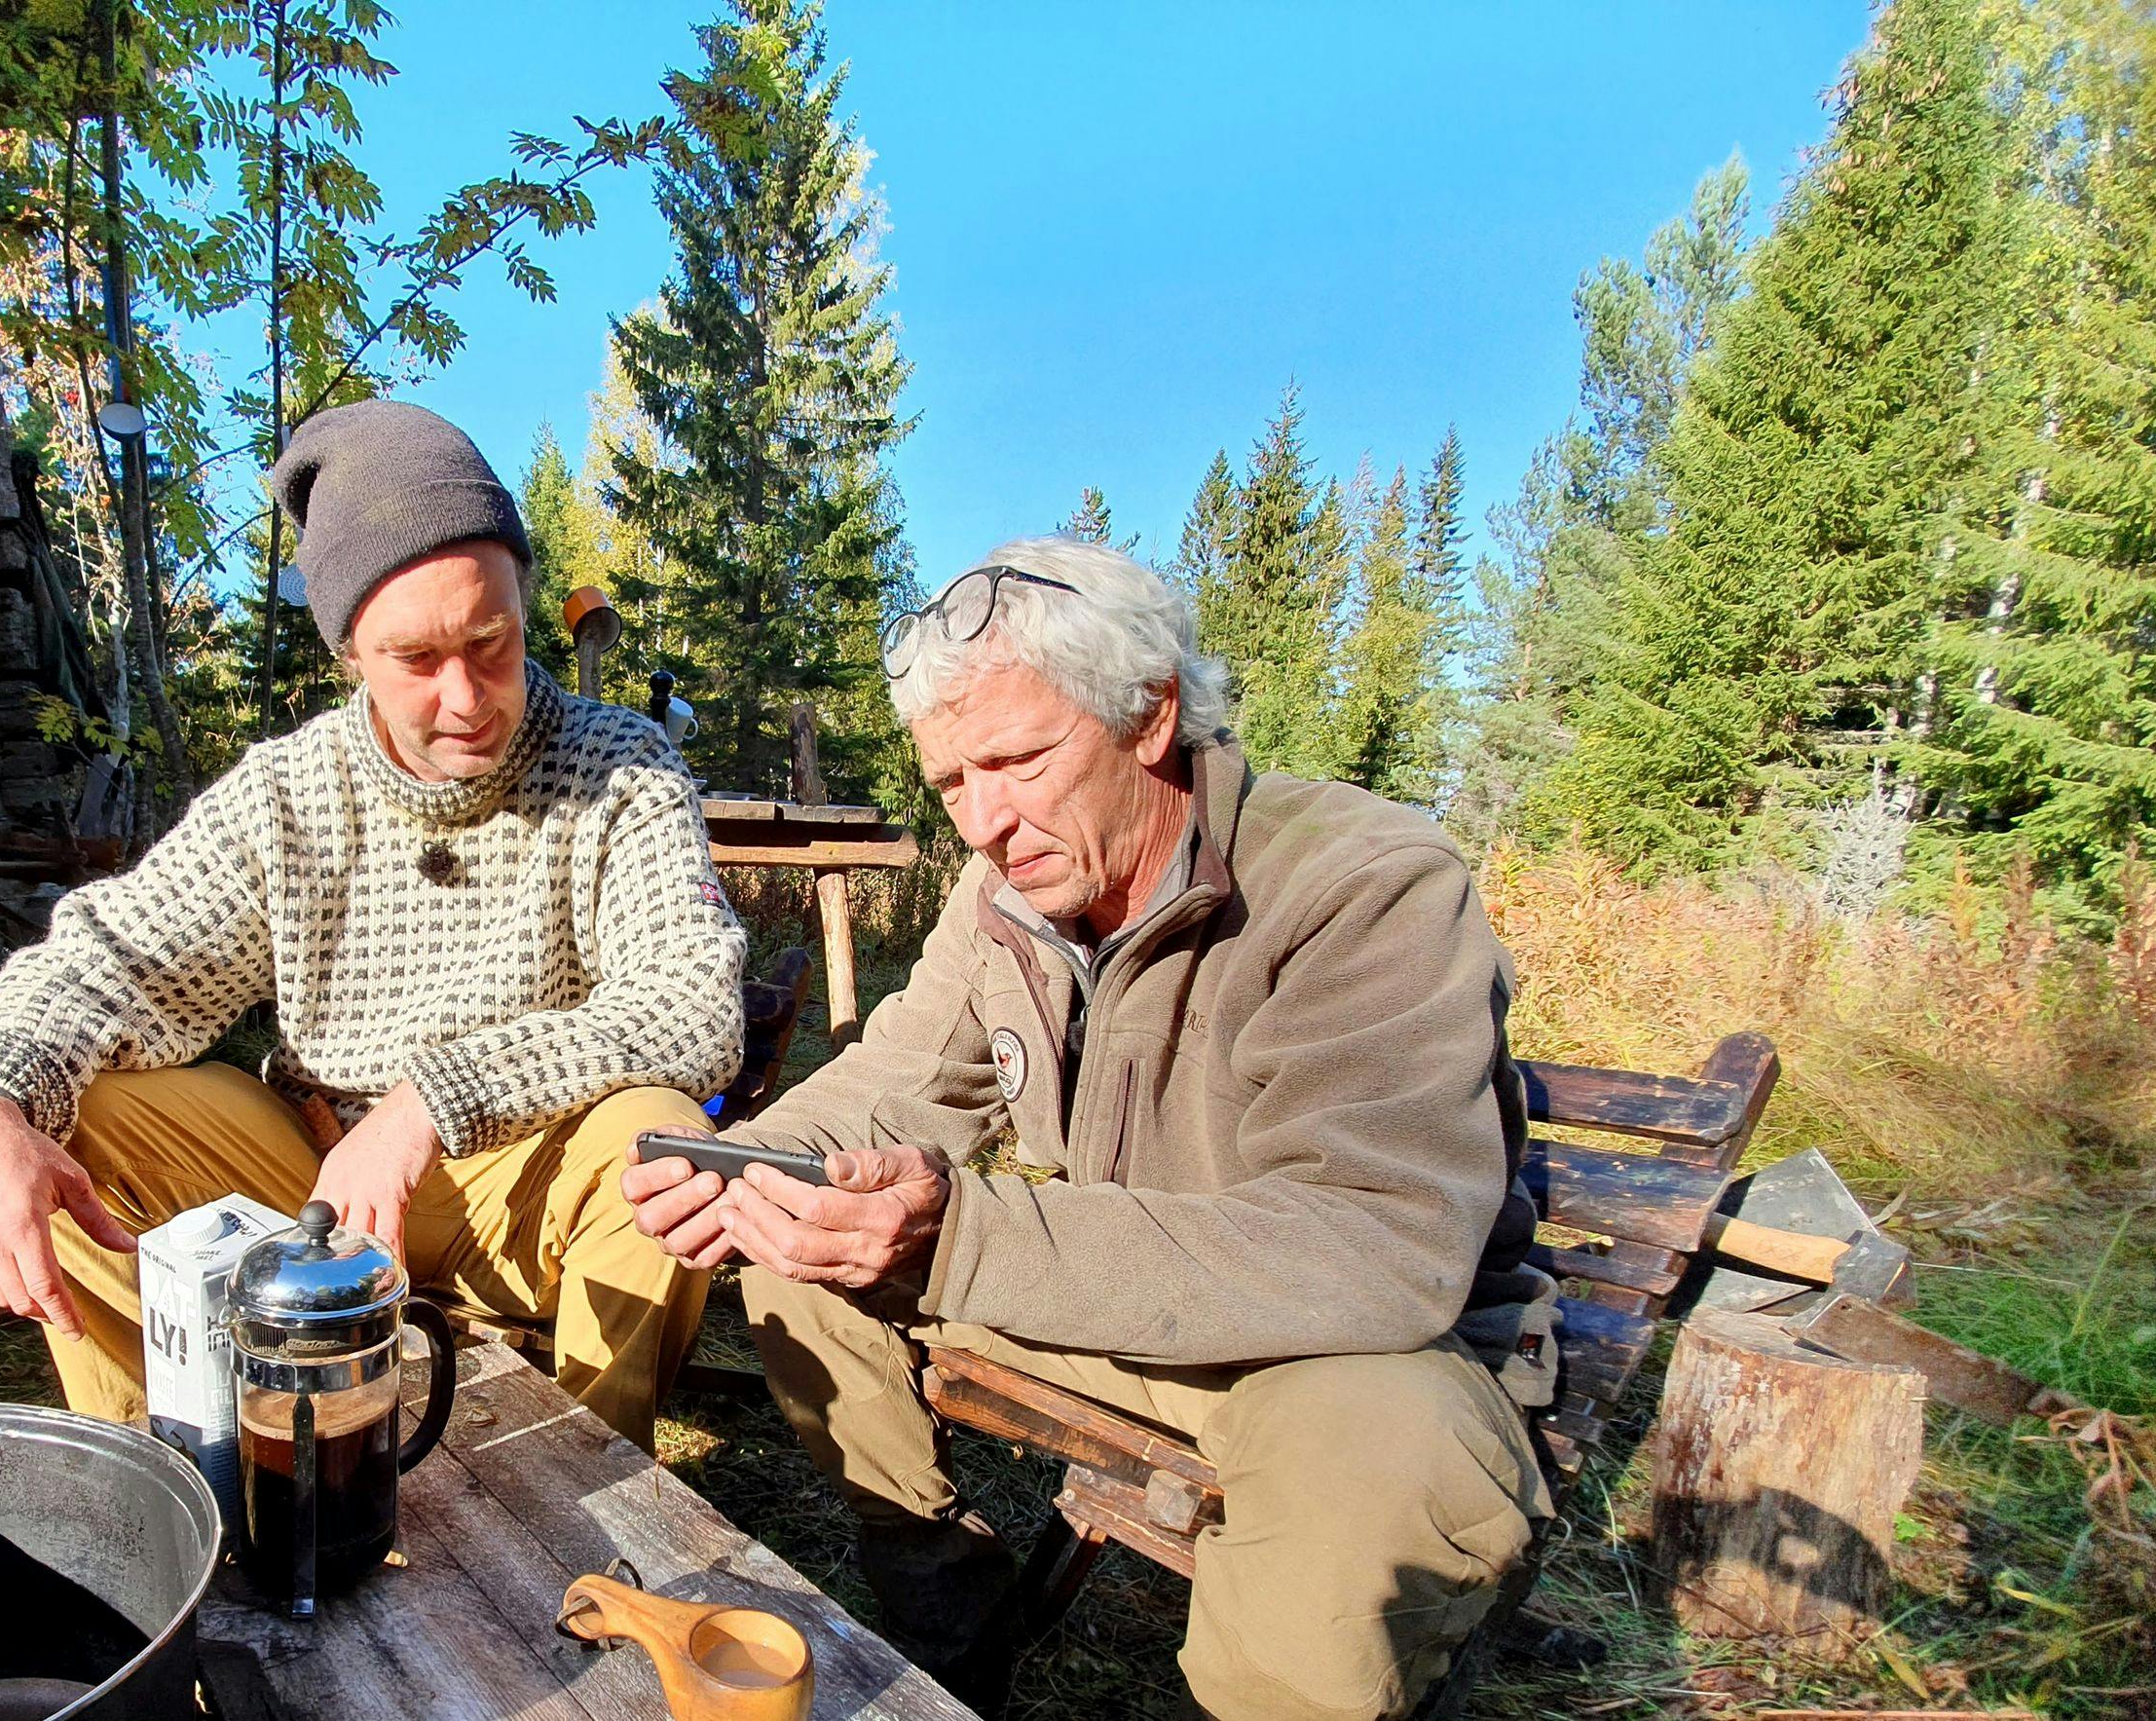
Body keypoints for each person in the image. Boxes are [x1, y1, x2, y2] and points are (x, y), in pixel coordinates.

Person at [624, 537, 1558, 1718]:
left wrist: (962, 1239)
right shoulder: (1009, 894)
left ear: (1152, 716)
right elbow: (902, 1077)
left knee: (1367, 1487)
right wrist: (747, 1170)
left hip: (1349, 1348)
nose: (984, 824)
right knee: (798, 1257)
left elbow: (1377, 1243)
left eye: (1018, 760)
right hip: (1135, 1300)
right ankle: (953, 1627)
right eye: (954, 783)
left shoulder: (1362, 883)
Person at [0, 399, 747, 1450]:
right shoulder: (289, 796)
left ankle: (579, 1493)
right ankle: (178, 1476)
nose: (467, 696)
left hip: (526, 1185)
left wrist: (431, 1104)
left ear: (526, 601)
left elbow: (690, 1011)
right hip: (306, 1180)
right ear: (349, 649)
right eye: (414, 659)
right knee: (66, 1118)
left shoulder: (619, 765)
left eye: (492, 640)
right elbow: (106, 964)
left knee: (660, 1144)